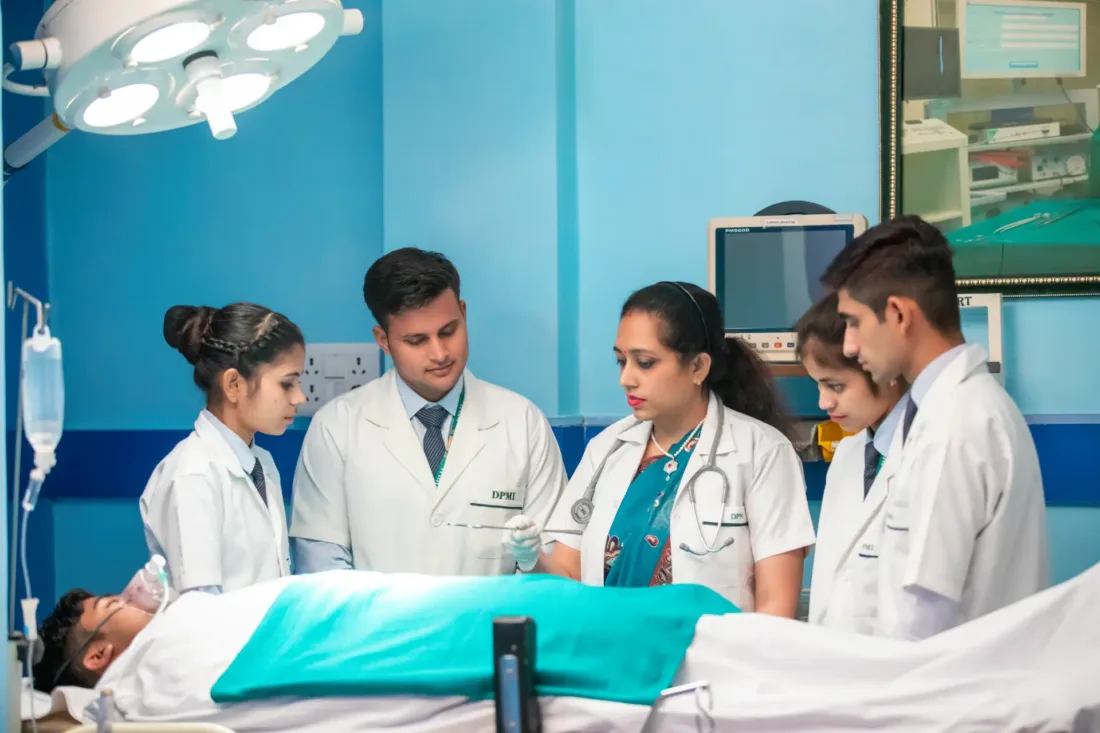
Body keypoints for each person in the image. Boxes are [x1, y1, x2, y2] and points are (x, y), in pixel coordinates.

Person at [505, 281, 816, 615]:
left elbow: (775, 606)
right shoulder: (606, 449)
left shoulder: (762, 452)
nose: (626, 378)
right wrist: (532, 559)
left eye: (645, 363)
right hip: (608, 646)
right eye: (621, 361)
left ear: (697, 367)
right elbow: (568, 577)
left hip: (710, 649)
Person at [821, 215, 1050, 639]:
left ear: (898, 314)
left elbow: (921, 618)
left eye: (853, 322)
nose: (849, 345)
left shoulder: (955, 425)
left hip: (945, 675)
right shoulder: (952, 410)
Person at [290, 247, 568, 576]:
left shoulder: (522, 423)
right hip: (378, 613)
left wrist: (531, 559)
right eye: (416, 340)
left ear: (463, 313)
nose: (439, 353)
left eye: (448, 331)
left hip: (494, 612)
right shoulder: (337, 427)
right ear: (383, 340)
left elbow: (554, 564)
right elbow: (323, 570)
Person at [141, 303, 306, 595]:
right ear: (233, 385)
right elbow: (201, 604)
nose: (299, 397)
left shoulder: (261, 464)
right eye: (286, 384)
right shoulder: (193, 476)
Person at [796, 292, 909, 634]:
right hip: (835, 655)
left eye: (836, 385)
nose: (824, 402)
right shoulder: (848, 454)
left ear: (882, 367)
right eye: (818, 385)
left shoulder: (930, 450)